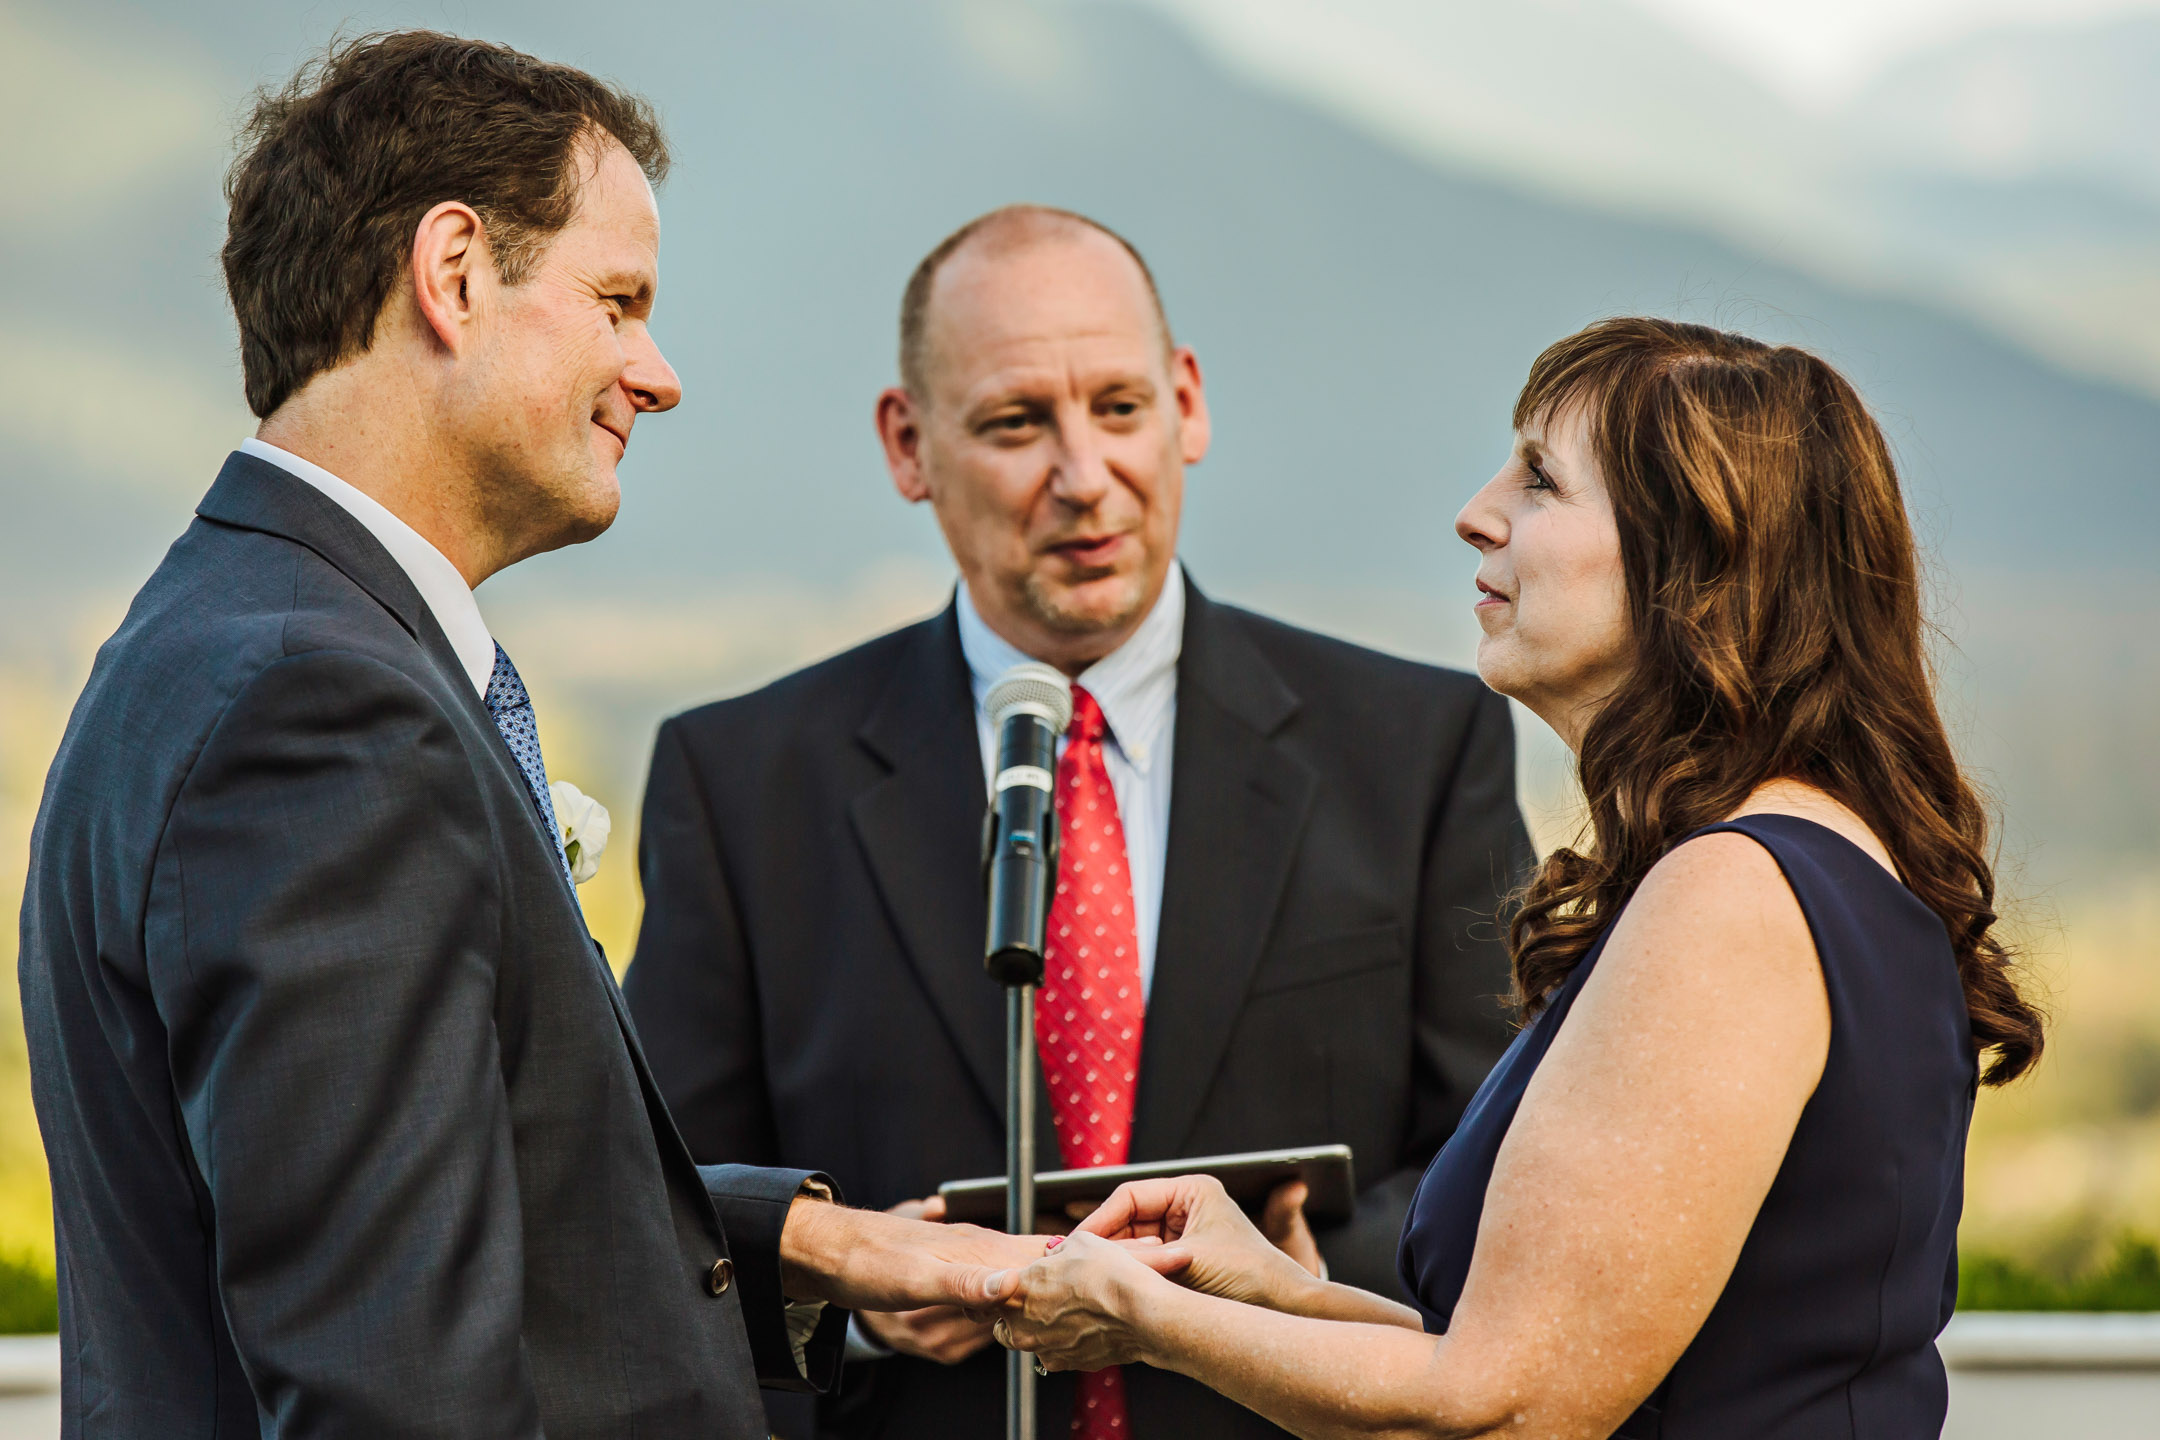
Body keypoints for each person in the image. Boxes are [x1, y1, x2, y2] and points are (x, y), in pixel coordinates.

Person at [17, 34, 1035, 1439]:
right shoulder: (321, 711)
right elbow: (387, 1379)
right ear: (452, 275)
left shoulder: (226, 632)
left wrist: (804, 1244)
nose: (658, 373)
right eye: (617, 301)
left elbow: (429, 1185)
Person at [985, 317, 2047, 1439]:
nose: (1476, 512)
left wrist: (1136, 1316)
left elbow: (1508, 1415)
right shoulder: (1785, 868)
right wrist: (1275, 1290)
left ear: (1698, 557)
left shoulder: (1732, 894)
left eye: (1540, 478)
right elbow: (1545, 1360)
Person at [622, 204, 1533, 1440]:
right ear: (908, 444)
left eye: (1118, 408)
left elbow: (1506, 1163)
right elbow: (657, 1218)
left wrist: (1274, 1281)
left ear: (1188, 404)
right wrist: (845, 1284)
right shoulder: (741, 783)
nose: (1083, 475)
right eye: (1015, 423)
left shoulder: (1416, 749)